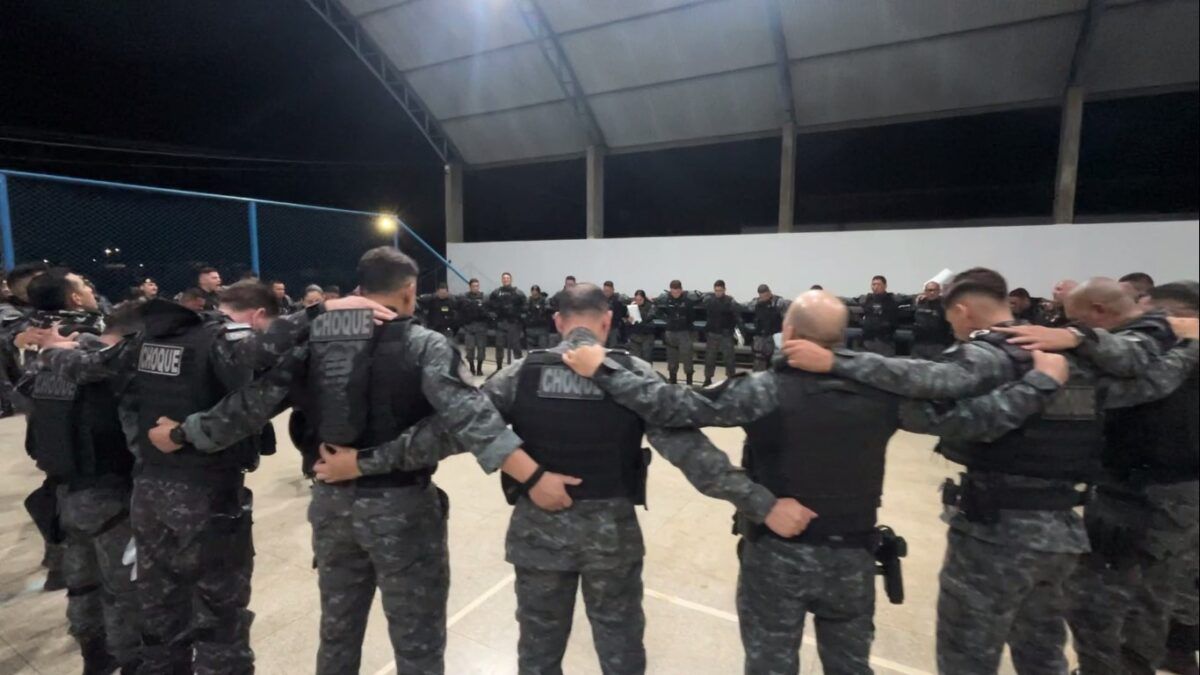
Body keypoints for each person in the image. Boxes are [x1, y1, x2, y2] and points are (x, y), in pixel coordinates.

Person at [555, 289, 1076, 675]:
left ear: (788, 331)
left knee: (770, 664)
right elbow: (976, 420)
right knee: (850, 665)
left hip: (775, 555)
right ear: (842, 337)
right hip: (853, 556)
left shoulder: (763, 389)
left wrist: (605, 369)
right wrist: (1039, 384)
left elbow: (674, 406)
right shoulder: (884, 396)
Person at [311, 283, 813, 674]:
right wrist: (763, 505)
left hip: (538, 537)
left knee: (538, 654)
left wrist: (363, 463)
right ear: (608, 322)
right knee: (621, 652)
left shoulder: (521, 374)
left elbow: (452, 431)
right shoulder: (631, 376)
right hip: (611, 542)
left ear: (557, 322)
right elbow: (696, 459)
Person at [780, 268, 1198, 674]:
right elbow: (1151, 381)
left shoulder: (992, 355)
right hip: (1064, 532)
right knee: (1043, 652)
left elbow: (929, 378)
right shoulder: (1070, 356)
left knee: (967, 653)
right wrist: (1181, 341)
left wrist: (838, 361)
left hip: (994, 533)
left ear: (962, 312)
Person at [146, 248, 535, 675]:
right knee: (417, 639)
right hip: (402, 510)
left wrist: (182, 434)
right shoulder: (424, 344)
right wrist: (532, 475)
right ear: (409, 291)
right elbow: (470, 422)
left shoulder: (315, 343)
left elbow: (248, 409)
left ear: (360, 290)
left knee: (337, 632)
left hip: (331, 507)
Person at [31, 280, 312, 674]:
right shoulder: (221, 342)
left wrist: (51, 350)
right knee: (219, 613)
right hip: (208, 496)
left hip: (148, 493)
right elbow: (263, 377)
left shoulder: (144, 343)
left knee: (159, 608)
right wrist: (320, 314)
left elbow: (86, 367)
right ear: (254, 317)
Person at [1002, 278, 1198, 675]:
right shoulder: (1169, 348)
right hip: (1172, 492)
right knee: (1154, 597)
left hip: (1137, 495)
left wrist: (1074, 343)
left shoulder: (1160, 356)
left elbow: (1122, 387)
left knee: (1097, 603)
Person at [21, 297, 141, 673]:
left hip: (65, 494)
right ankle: (131, 659)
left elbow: (33, 434)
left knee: (82, 583)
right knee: (124, 590)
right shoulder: (105, 374)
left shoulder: (48, 370)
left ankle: (94, 656)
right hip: (111, 495)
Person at [656, 280, 699, 385]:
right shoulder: (667, 300)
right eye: (673, 291)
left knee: (687, 358)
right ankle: (673, 381)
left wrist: (685, 324)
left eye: (677, 291)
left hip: (684, 333)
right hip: (670, 332)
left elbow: (692, 317)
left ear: (681, 290)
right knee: (671, 359)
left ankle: (689, 382)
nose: (675, 293)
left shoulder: (687, 302)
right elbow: (658, 311)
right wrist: (667, 320)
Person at [701, 280, 743, 386]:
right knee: (709, 358)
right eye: (716, 290)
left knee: (729, 359)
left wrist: (738, 330)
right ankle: (707, 379)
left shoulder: (730, 301)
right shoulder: (710, 300)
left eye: (720, 290)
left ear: (724, 290)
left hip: (726, 334)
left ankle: (731, 380)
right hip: (712, 333)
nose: (718, 293)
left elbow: (737, 317)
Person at [744, 284, 789, 372]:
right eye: (761, 296)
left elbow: (788, 316)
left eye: (765, 295)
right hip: (761, 338)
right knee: (758, 362)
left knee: (775, 362)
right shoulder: (756, 303)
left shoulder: (779, 302)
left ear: (769, 292)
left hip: (774, 337)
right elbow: (745, 307)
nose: (763, 298)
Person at [855, 275, 901, 356]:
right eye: (873, 284)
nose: (875, 287)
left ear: (885, 286)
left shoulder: (892, 299)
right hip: (868, 341)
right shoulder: (867, 299)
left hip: (885, 342)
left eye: (878, 284)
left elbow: (910, 299)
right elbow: (851, 300)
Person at [488, 272, 526, 369]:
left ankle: (519, 367)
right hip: (501, 323)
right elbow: (489, 305)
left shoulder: (518, 293)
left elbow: (525, 306)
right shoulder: (496, 293)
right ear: (502, 280)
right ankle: (499, 367)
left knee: (516, 346)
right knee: (499, 345)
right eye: (504, 278)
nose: (506, 280)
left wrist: (520, 316)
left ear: (511, 280)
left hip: (514, 323)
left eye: (507, 278)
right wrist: (493, 315)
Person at [909, 281, 954, 359]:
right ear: (925, 291)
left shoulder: (945, 306)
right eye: (929, 290)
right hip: (919, 345)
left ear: (939, 291)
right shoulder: (919, 303)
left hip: (938, 346)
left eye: (934, 290)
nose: (932, 293)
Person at [458, 278, 489, 376]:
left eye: (477, 286)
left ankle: (479, 368)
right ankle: (472, 367)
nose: (475, 288)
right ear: (470, 287)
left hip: (481, 327)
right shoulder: (464, 298)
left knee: (481, 349)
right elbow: (461, 311)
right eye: (473, 286)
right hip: (469, 327)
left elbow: (488, 312)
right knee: (469, 349)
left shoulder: (484, 298)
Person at [626, 290, 656, 364]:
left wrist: (639, 314)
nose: (638, 301)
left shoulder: (650, 306)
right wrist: (629, 320)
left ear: (644, 299)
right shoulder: (632, 306)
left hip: (647, 335)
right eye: (636, 299)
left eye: (640, 300)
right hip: (635, 334)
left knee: (647, 357)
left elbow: (650, 317)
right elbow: (627, 320)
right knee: (635, 358)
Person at [525, 285, 554, 350]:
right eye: (533, 291)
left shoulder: (544, 300)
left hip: (542, 328)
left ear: (539, 292)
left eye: (536, 291)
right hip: (530, 328)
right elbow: (524, 311)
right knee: (531, 350)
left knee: (543, 349)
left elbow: (550, 309)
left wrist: (543, 308)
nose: (534, 293)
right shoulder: (528, 300)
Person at [602, 281, 629, 348]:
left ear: (612, 290)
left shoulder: (618, 300)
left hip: (614, 327)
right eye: (604, 291)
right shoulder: (601, 300)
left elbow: (622, 314)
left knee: (613, 347)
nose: (606, 293)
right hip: (603, 327)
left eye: (608, 291)